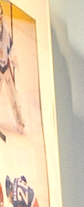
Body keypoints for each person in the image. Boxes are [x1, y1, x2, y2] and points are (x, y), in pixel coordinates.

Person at [0, 4, 24, 134]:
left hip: (5, 67)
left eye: (0, 16)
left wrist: (14, 59)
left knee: (13, 96)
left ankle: (20, 122)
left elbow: (11, 45)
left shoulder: (6, 28)